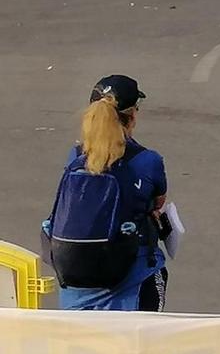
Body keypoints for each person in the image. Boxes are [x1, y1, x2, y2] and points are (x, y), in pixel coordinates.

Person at [43, 75, 170, 310]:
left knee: (81, 346)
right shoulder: (147, 161)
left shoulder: (75, 158)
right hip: (131, 283)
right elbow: (158, 203)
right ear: (132, 115)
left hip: (76, 284)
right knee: (139, 347)